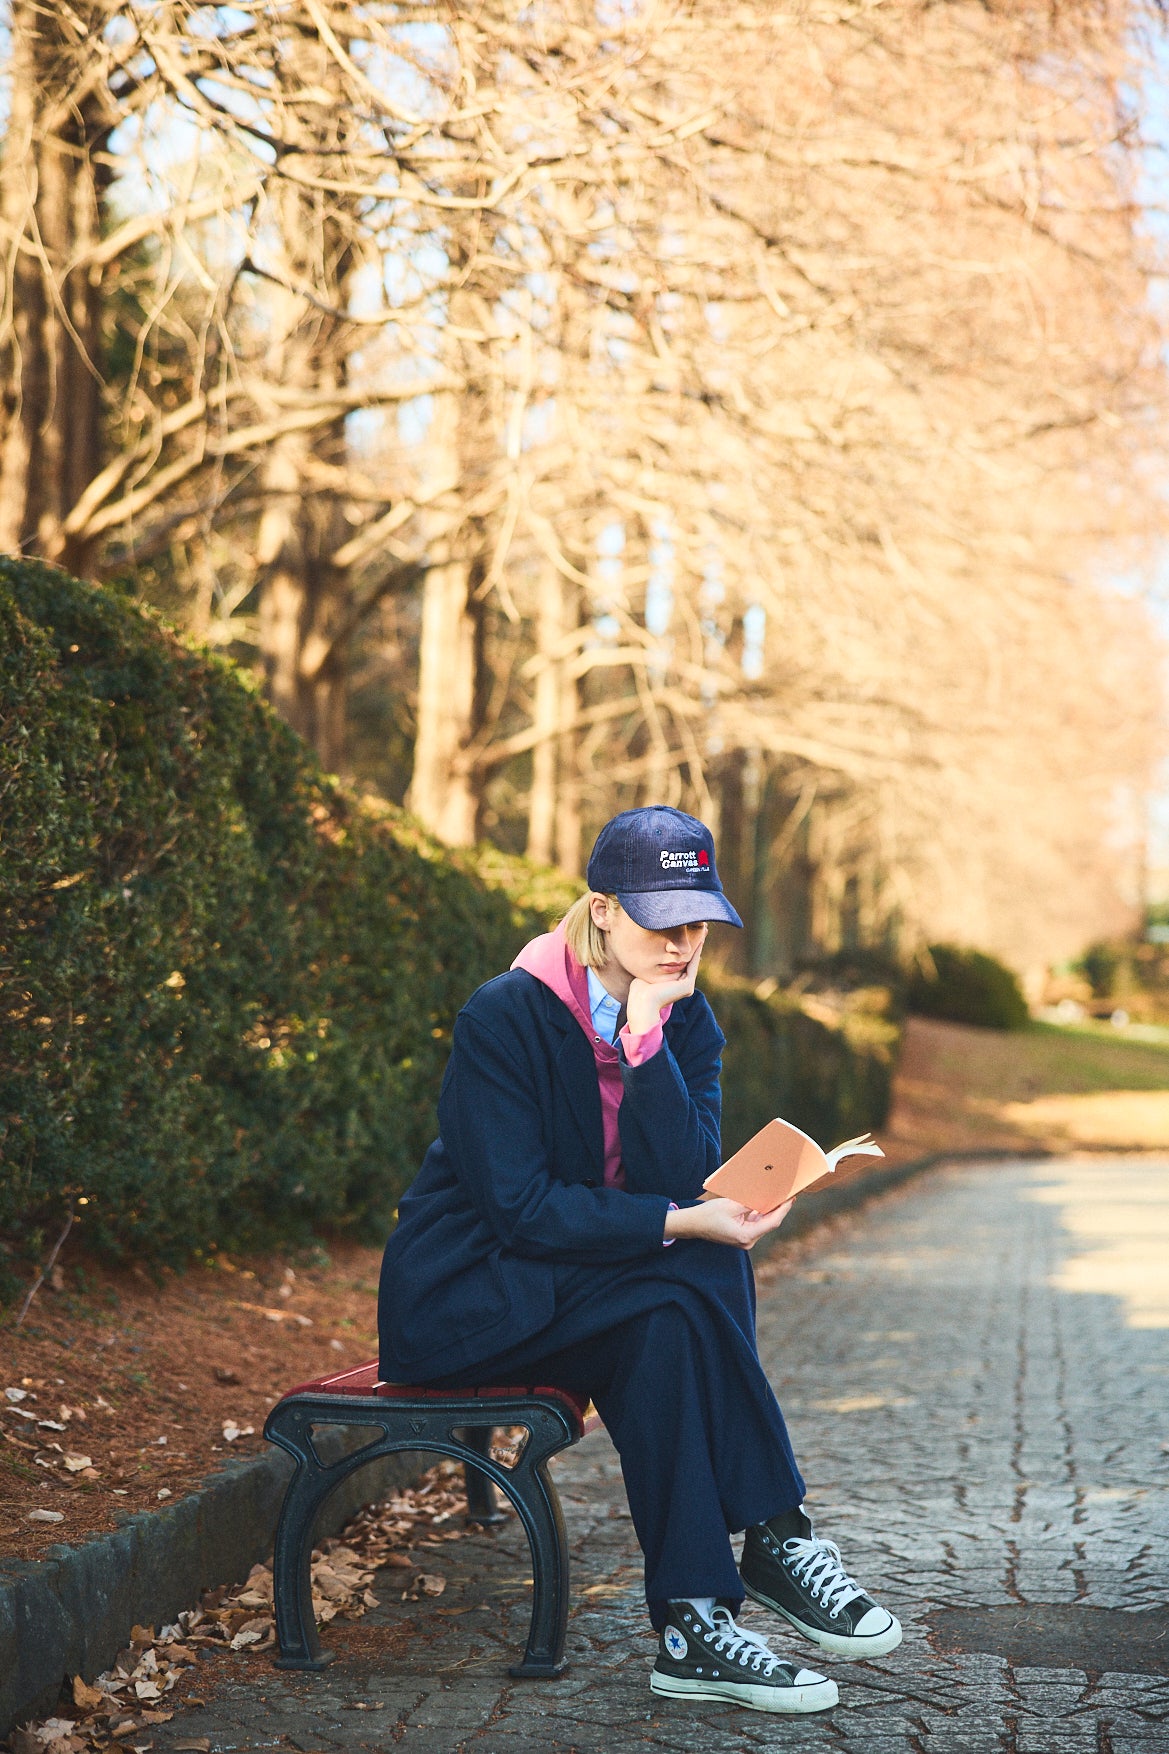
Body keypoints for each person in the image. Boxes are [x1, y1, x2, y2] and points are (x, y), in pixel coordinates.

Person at [378, 805, 901, 1715]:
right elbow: (519, 1210)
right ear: (604, 911)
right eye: (662, 919)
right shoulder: (505, 1016)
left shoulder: (685, 1023)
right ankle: (776, 1531)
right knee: (690, 1262)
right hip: (467, 1300)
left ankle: (694, 1621)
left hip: (581, 1294)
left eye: (696, 922)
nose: (681, 943)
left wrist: (645, 1043)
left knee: (671, 1311)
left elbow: (678, 1175)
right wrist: (683, 1223)